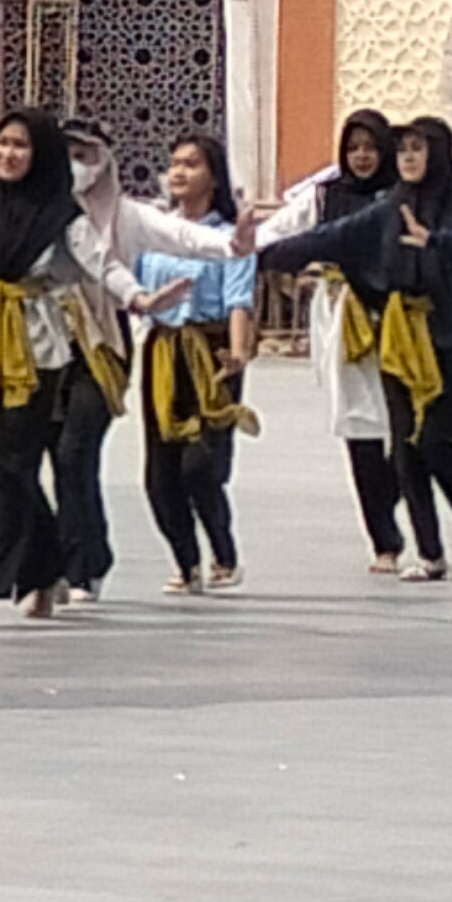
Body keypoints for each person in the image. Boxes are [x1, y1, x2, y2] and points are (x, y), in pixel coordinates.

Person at [0, 111, 159, 621]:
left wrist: (137, 298)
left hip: (37, 346)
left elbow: (101, 264)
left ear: (40, 156)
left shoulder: (61, 215)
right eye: (3, 143)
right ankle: (46, 566)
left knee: (11, 460)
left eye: (21, 146)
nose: (9, 154)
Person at [261, 115, 452, 579]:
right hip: (400, 337)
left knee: (437, 441)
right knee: (405, 448)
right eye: (404, 151)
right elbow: (330, 237)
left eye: (418, 149)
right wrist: (258, 254)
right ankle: (431, 552)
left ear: (436, 153)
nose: (409, 158)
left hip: (450, 334)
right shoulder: (388, 208)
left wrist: (436, 240)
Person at [259, 112, 414, 569]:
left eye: (370, 147)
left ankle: (393, 500)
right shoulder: (325, 197)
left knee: (413, 426)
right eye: (353, 148)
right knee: (360, 425)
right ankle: (383, 540)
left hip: (401, 319)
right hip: (344, 318)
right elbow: (272, 236)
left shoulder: (403, 197)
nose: (362, 157)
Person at [131, 132, 257, 593]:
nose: (179, 172)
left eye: (192, 163)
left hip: (213, 350)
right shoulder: (154, 232)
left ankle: (223, 552)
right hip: (163, 352)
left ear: (213, 176)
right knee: (160, 470)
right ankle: (186, 563)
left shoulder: (228, 236)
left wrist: (238, 356)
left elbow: (239, 299)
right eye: (174, 163)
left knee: (201, 466)